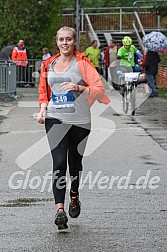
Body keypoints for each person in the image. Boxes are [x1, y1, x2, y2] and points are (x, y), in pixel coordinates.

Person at [37, 26, 110, 230]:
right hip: (55, 118)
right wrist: (43, 109)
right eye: (61, 39)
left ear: (74, 41)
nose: (65, 43)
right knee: (59, 163)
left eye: (68, 39)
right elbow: (44, 91)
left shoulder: (83, 63)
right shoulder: (48, 64)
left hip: (79, 121)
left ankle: (74, 195)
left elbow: (99, 90)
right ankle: (59, 210)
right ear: (57, 41)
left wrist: (79, 87)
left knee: (74, 164)